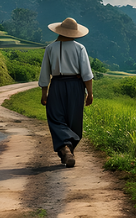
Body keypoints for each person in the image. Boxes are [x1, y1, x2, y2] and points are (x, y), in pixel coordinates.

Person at [38, 17, 94, 168]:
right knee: (74, 119)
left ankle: (65, 149)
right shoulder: (80, 48)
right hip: (76, 86)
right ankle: (68, 149)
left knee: (55, 118)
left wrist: (44, 93)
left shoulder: (50, 48)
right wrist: (90, 93)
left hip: (56, 85)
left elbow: (45, 73)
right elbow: (86, 74)